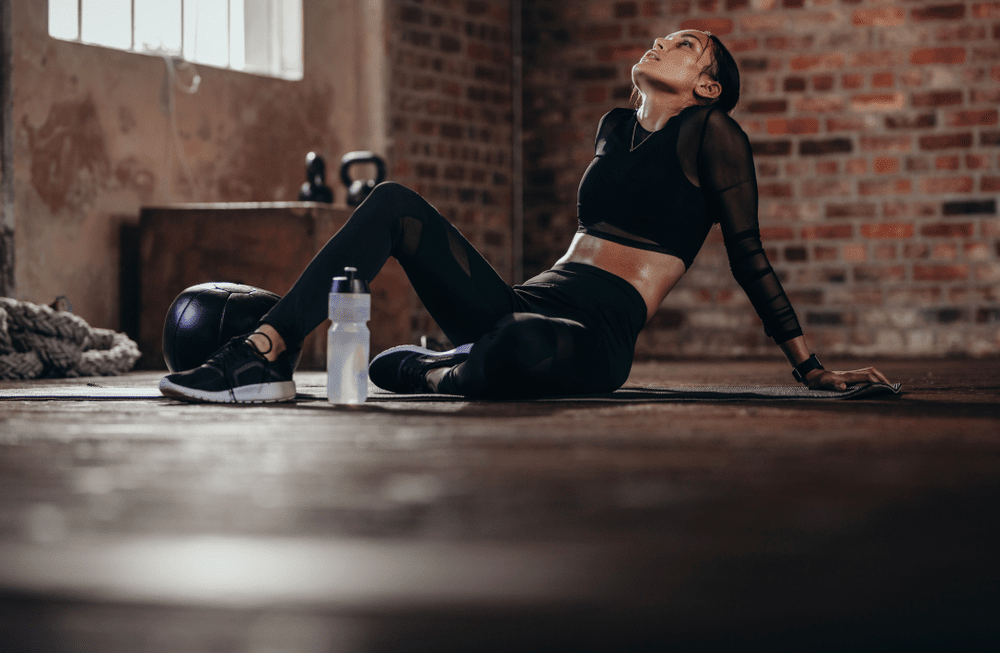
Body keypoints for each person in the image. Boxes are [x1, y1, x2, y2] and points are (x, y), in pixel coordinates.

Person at [160, 30, 890, 403]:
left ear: (707, 84)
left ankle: (453, 371)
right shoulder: (613, 125)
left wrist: (811, 369)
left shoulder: (713, 134)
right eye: (668, 33)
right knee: (393, 204)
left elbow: (748, 252)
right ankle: (264, 351)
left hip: (595, 332)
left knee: (522, 344)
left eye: (688, 42)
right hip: (532, 295)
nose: (665, 38)